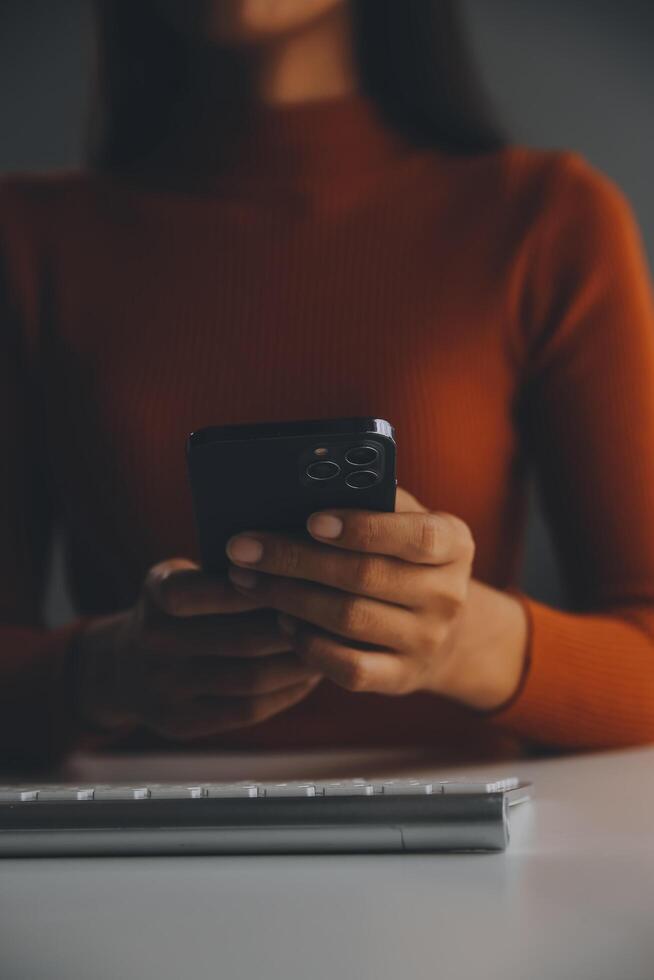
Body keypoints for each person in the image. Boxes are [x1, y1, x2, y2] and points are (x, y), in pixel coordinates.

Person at [2, 0, 654, 771]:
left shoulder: (546, 222)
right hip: (123, 852)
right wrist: (100, 674)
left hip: (461, 854)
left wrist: (464, 642)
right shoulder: (29, 241)